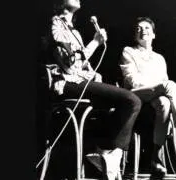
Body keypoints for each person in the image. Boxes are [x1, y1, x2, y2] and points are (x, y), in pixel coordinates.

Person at [46, 0, 142, 179]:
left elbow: (84, 65)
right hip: (68, 83)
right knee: (131, 100)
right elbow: (70, 64)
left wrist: (92, 65)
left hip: (79, 81)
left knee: (122, 105)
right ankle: (110, 156)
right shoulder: (55, 24)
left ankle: (103, 154)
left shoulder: (74, 32)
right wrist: (95, 43)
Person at [119, 17, 176, 176]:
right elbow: (134, 81)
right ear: (135, 35)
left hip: (156, 98)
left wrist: (169, 96)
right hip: (134, 96)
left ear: (154, 34)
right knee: (169, 85)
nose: (143, 31)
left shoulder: (159, 58)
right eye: (139, 28)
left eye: (147, 28)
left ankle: (156, 157)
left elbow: (163, 86)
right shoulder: (128, 51)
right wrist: (160, 87)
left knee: (164, 103)